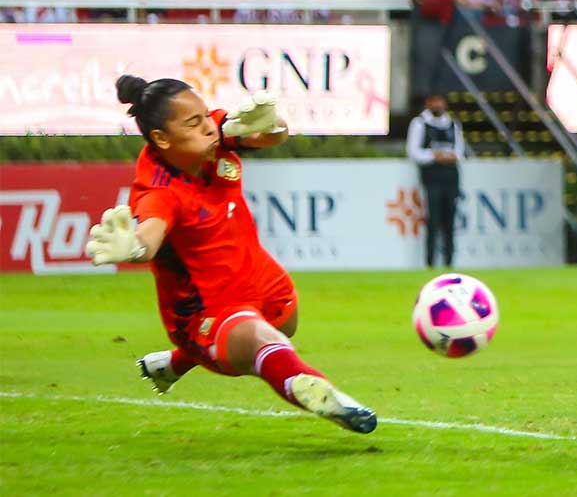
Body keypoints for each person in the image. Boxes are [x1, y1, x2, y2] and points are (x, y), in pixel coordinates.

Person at [84, 76, 376, 434]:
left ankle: (173, 365)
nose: (208, 127)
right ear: (162, 138)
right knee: (261, 342)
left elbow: (271, 136)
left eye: (205, 115)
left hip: (256, 276)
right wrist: (132, 248)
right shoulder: (160, 191)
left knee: (286, 323)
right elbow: (149, 235)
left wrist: (274, 123)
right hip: (206, 311)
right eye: (194, 123)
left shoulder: (213, 129)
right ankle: (321, 392)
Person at [406, 94, 465, 269]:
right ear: (428, 103)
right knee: (433, 219)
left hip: (451, 176)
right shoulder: (419, 123)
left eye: (440, 101)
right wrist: (434, 156)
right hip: (431, 176)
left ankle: (449, 261)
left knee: (450, 220)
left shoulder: (453, 124)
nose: (437, 104)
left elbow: (460, 152)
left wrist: (451, 157)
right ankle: (430, 262)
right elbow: (413, 152)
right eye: (434, 101)